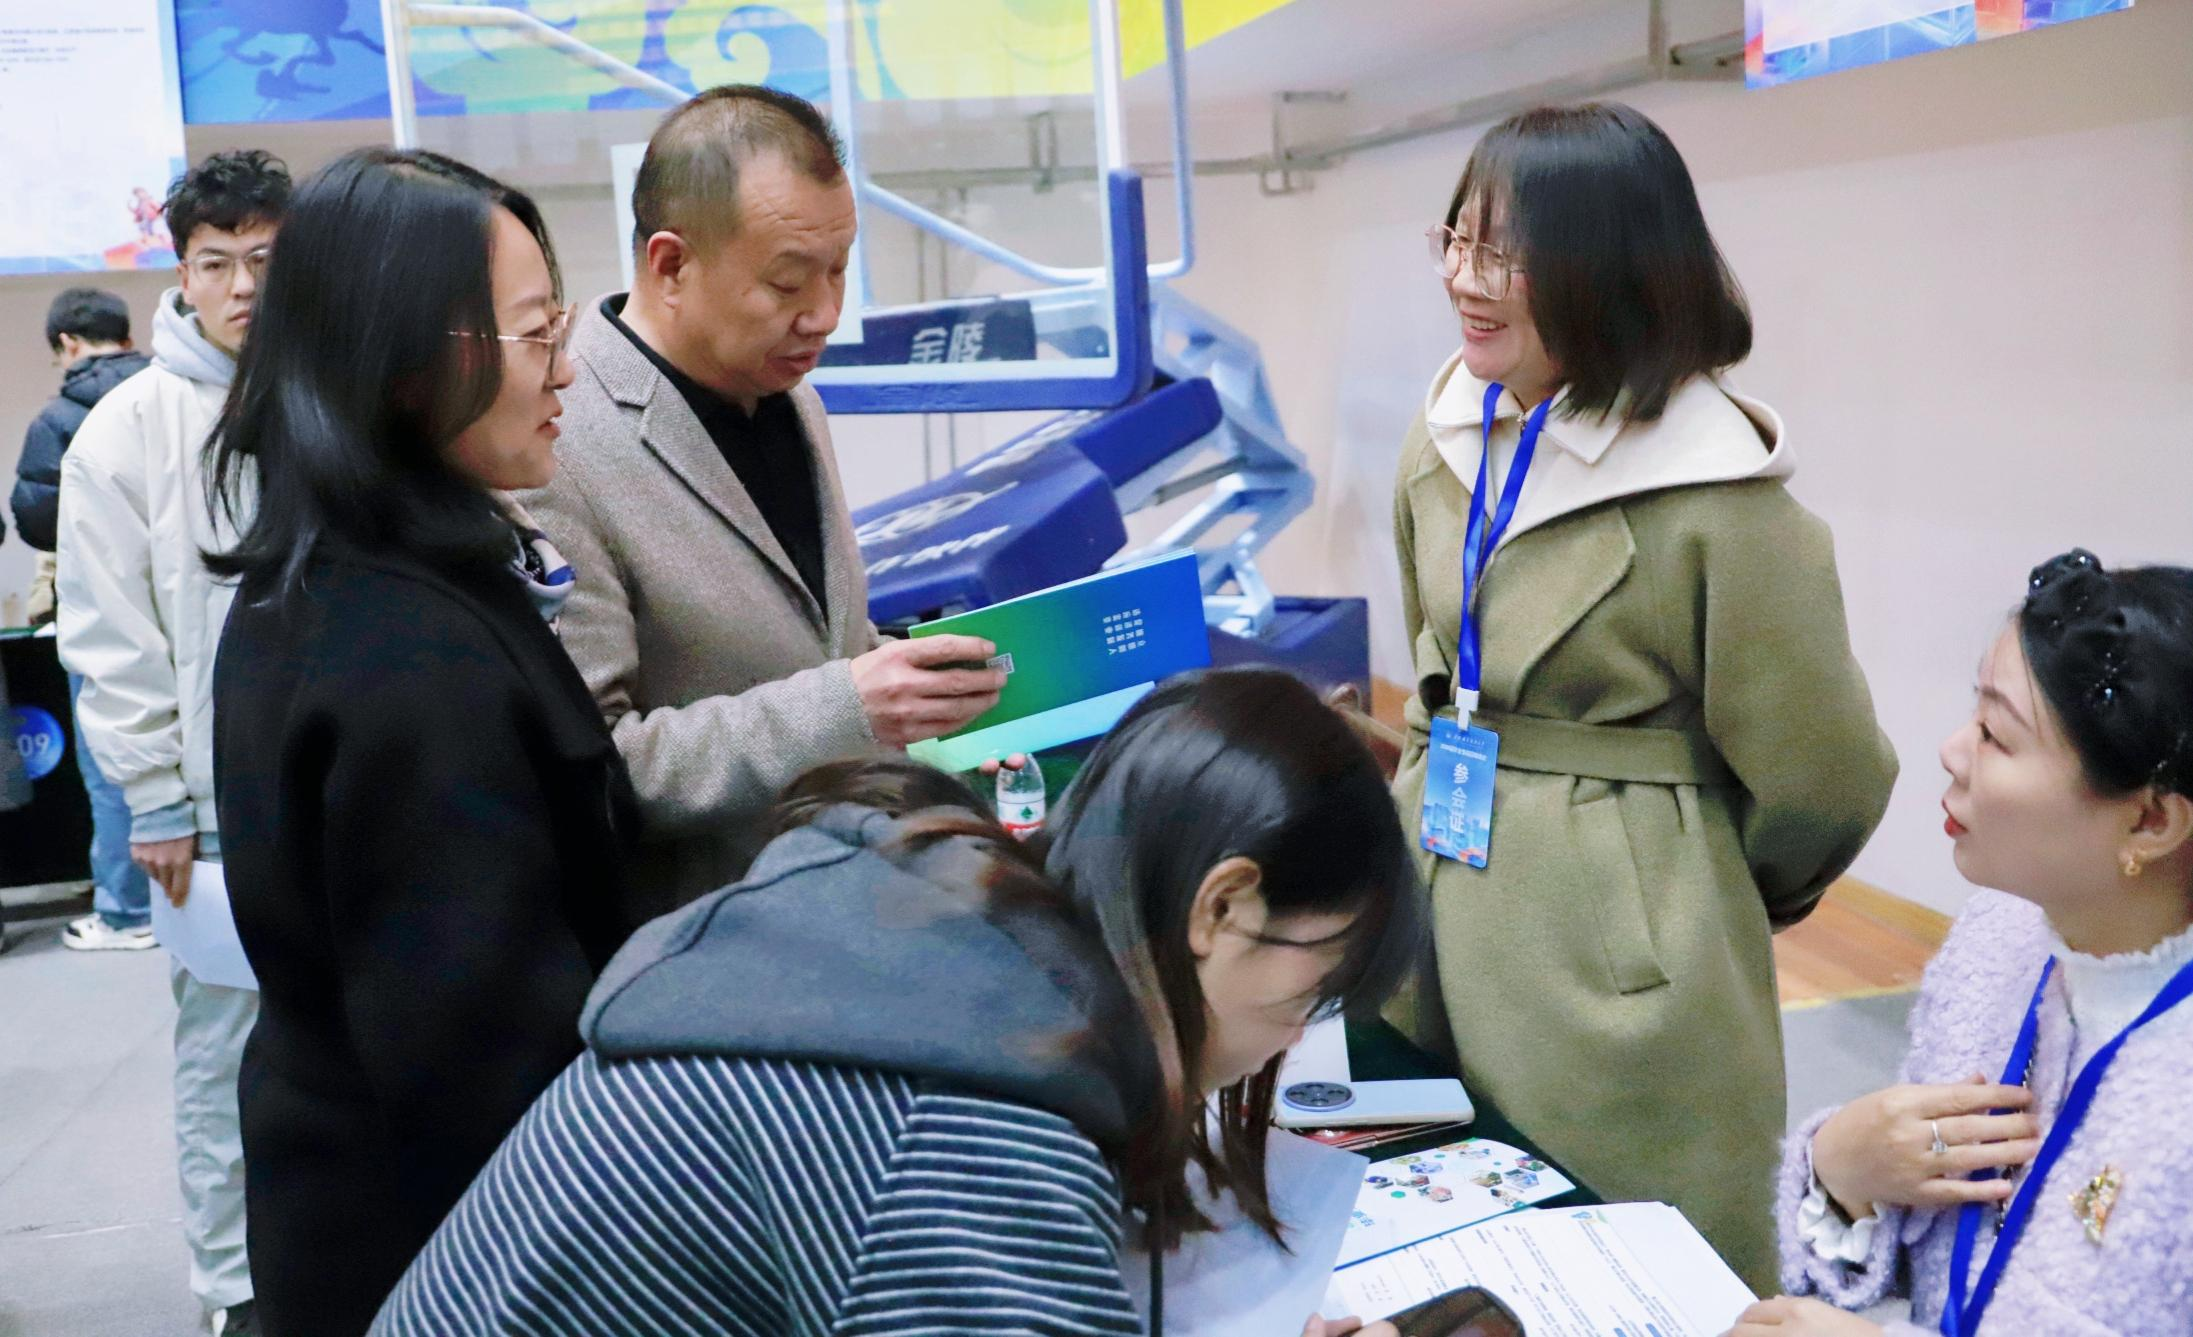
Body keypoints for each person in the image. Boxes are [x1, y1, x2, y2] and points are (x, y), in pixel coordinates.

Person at [372, 669, 1426, 1337]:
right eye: (1310, 988)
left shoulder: (950, 954)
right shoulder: (971, 1120)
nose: (1294, 1035)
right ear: (1222, 906)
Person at [1387, 102, 1897, 1290]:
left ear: (1607, 265)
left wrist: (1676, 882)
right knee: (1443, 1257)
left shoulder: (1723, 498)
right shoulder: (1446, 432)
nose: (1465, 278)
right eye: (1457, 237)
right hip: (1431, 897)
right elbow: (1436, 658)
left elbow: (1826, 775)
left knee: (1634, 1273)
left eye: (1506, 251)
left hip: (1620, 973)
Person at [206, 147, 638, 1337]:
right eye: (535, 333)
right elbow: (483, 1062)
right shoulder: (410, 659)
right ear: (400, 362)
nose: (565, 368)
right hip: (447, 1255)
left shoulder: (334, 577)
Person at [527, 83, 1003, 917]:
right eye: (787, 283)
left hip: (850, 901)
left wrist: (927, 712)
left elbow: (814, 641)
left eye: (839, 269)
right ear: (670, 265)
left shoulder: (789, 395)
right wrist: (850, 706)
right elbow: (597, 767)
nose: (824, 314)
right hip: (706, 938)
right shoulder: (557, 441)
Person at [1731, 550, 2193, 1337]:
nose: (1951, 750)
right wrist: (1841, 1170)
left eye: (1994, 734)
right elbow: (1922, 1258)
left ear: (2149, 821)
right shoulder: (1999, 935)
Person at [54, 150, 290, 1336]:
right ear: (182, 274)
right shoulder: (126, 434)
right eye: (216, 263)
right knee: (226, 1051)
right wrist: (153, 796)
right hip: (213, 811)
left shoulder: (339, 398)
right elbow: (111, 634)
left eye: (265, 259)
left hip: (345, 786)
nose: (243, 285)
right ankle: (235, 1285)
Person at [11, 287, 153, 949]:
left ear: (67, 343)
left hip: (99, 614)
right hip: (182, 602)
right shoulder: (173, 395)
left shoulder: (60, 417)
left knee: (111, 766)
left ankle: (127, 912)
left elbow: (36, 521)